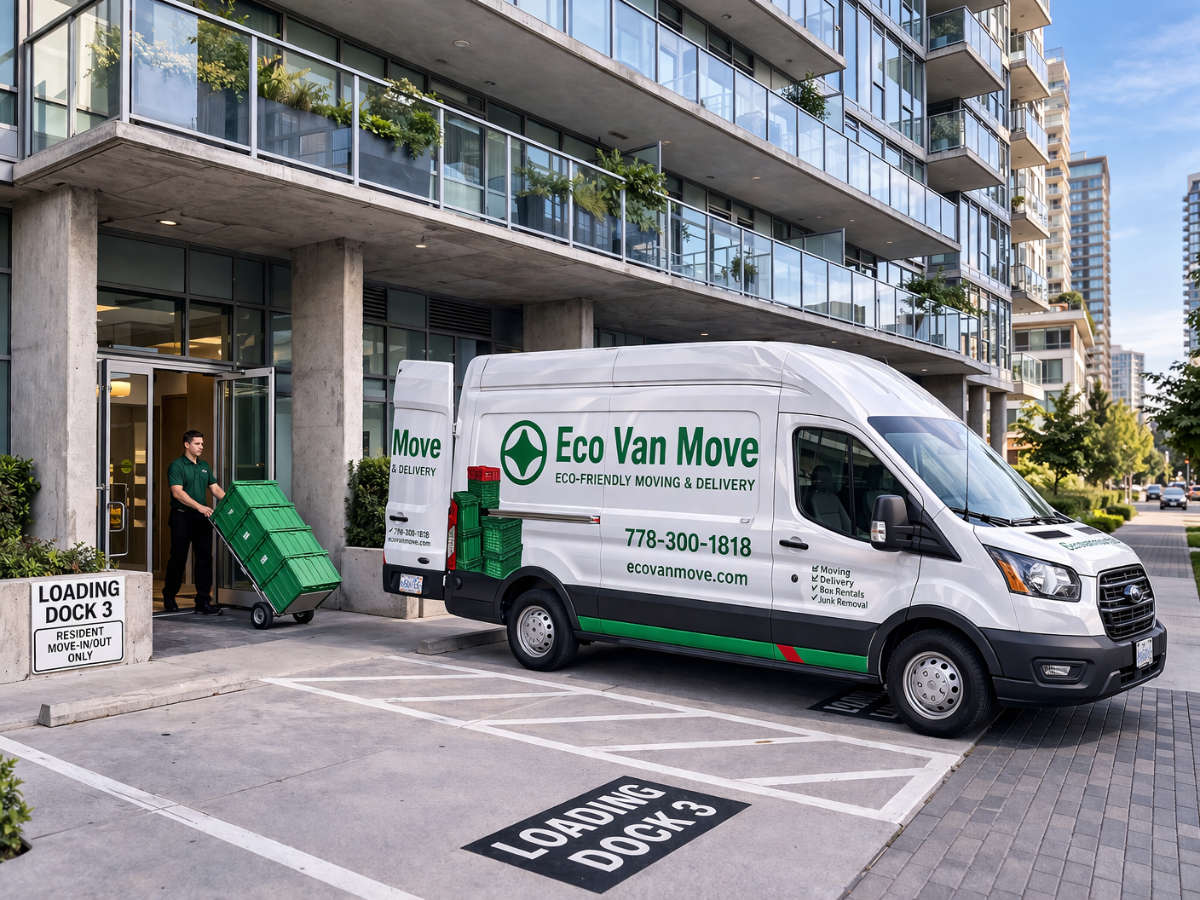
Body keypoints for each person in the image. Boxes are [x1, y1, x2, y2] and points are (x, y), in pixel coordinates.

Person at [162, 430, 226, 614]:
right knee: (178, 558)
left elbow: (215, 489)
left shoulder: (204, 466)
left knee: (204, 559)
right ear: (187, 444)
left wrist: (234, 503)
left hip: (201, 519)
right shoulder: (177, 466)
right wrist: (199, 506)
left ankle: (203, 601)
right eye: (197, 444)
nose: (201, 447)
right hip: (182, 517)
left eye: (202, 444)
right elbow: (177, 492)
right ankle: (169, 596)